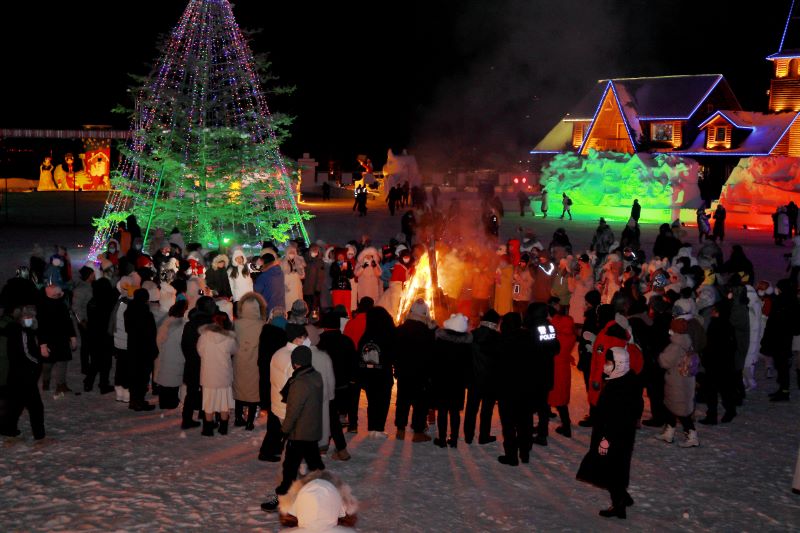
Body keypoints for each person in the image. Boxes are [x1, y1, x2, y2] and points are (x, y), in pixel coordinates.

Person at [576, 346, 641, 519]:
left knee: (611, 469)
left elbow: (614, 419)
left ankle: (619, 505)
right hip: (623, 436)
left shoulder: (618, 388)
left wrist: (605, 440)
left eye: (608, 362)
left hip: (613, 437)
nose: (605, 366)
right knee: (617, 467)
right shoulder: (628, 380)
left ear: (618, 364)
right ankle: (623, 497)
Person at [261, 345, 325, 513]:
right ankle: (324, 494)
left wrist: (284, 431)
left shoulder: (299, 383)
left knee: (289, 468)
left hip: (299, 433)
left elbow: (293, 411)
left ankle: (282, 497)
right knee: (315, 464)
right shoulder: (315, 376)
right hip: (312, 430)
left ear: (296, 363)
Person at [259, 323, 308, 462]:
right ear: (298, 339)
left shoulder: (278, 352)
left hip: (275, 397)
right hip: (288, 403)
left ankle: (268, 452)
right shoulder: (295, 358)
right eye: (304, 338)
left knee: (274, 429)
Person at [1, 305, 45, 440]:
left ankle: (8, 429)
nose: (30, 319)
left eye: (31, 317)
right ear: (21, 318)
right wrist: (37, 361)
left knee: (15, 404)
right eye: (27, 317)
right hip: (25, 374)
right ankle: (39, 434)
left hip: (16, 374)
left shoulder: (18, 330)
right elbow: (26, 353)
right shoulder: (22, 332)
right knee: (35, 406)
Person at [394, 300, 435, 442]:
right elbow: (432, 354)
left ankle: (400, 429)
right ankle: (418, 431)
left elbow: (395, 351)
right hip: (421, 373)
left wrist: (397, 367)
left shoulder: (400, 329)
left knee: (402, 400)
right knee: (420, 402)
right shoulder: (428, 332)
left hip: (404, 372)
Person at [496, 312, 534, 465]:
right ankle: (524, 453)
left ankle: (511, 455)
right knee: (524, 423)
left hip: (507, 388)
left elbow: (496, 364)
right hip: (526, 387)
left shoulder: (502, 340)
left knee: (509, 424)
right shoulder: (529, 338)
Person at [657, 317, 699, 447]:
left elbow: (664, 361)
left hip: (677, 382)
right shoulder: (687, 342)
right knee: (671, 407)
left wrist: (660, 356)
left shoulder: (675, 346)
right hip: (685, 381)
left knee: (681, 411)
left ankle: (691, 435)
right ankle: (669, 432)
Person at [432, 313, 472, 448]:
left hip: (442, 381)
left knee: (442, 410)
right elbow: (468, 365)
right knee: (454, 411)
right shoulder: (466, 345)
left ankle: (442, 439)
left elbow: (434, 362)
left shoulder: (440, 342)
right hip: (458, 383)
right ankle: (454, 439)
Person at [357, 307, 396, 437]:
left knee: (372, 401)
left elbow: (360, 354)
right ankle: (378, 428)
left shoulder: (365, 335)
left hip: (368, 375)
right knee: (383, 401)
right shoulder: (387, 335)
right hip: (383, 374)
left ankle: (372, 428)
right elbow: (392, 354)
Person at [465, 309, 501, 445]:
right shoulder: (498, 338)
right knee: (487, 410)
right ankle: (484, 436)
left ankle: (468, 436)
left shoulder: (472, 335)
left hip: (474, 379)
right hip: (491, 380)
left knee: (471, 409)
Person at [699, 301, 738, 424]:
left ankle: (713, 415)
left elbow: (711, 345)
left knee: (713, 390)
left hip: (715, 363)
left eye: (715, 309)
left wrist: (705, 358)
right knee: (724, 389)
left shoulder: (716, 325)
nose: (712, 311)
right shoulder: (728, 325)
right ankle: (728, 410)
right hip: (724, 363)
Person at [761, 279, 800, 402]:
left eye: (778, 288)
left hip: (781, 340)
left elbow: (794, 326)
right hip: (779, 339)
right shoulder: (785, 301)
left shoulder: (787, 303)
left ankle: (784, 391)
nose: (777, 290)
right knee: (780, 365)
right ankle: (782, 389)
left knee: (783, 366)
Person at [233, 292, 266, 430]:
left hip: (239, 360)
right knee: (253, 391)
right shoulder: (262, 324)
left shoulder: (237, 323)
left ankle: (238, 417)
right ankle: (250, 421)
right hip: (254, 361)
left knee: (239, 389)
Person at [38, 284, 77, 397]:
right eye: (60, 293)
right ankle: (46, 381)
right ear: (55, 295)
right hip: (49, 340)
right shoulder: (43, 307)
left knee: (62, 363)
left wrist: (72, 336)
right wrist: (43, 345)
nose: (62, 294)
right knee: (47, 365)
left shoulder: (62, 305)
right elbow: (41, 328)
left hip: (62, 339)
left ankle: (61, 385)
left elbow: (67, 322)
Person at [124, 288, 158, 411]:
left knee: (134, 375)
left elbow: (129, 329)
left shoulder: (129, 311)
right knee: (142, 376)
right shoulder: (146, 314)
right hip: (144, 349)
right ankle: (139, 400)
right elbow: (150, 333)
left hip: (133, 347)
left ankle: (134, 400)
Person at [548, 298, 576, 437]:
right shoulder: (569, 336)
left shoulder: (557, 337)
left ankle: (565, 426)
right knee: (560, 399)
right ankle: (565, 424)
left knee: (552, 396)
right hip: (563, 369)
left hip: (554, 369)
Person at [155, 300, 187, 409]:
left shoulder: (164, 323)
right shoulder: (182, 325)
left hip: (163, 356)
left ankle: (163, 402)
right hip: (176, 356)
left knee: (164, 380)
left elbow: (158, 341)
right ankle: (171, 402)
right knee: (173, 382)